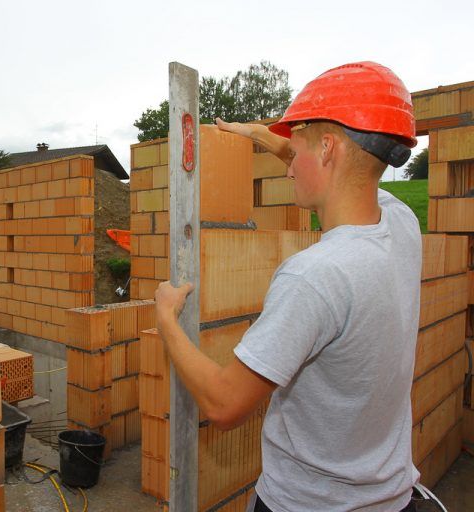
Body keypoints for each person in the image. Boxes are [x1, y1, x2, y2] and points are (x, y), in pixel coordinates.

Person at [155, 62, 423, 511]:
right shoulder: (401, 224)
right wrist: (262, 135)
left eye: (296, 153)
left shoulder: (315, 275)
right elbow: (347, 173)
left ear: (328, 150)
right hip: (392, 499)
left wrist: (166, 318)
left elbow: (223, 405)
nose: (288, 168)